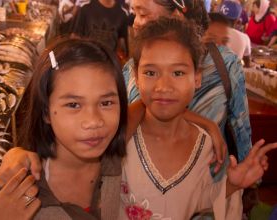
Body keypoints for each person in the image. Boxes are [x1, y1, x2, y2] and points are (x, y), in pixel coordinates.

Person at [118, 17, 276, 220]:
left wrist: (231, 185)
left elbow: (194, 200)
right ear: (135, 78)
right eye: (150, 72)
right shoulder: (122, 137)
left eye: (178, 72)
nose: (163, 86)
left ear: (197, 78)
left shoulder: (204, 144)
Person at [0, 36, 129, 220]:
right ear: (46, 112)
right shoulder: (18, 193)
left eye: (106, 102)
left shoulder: (127, 161)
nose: (93, 121)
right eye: (74, 105)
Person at [124, 0, 252, 170]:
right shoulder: (133, 68)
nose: (135, 23)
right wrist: (207, 124)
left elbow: (240, 129)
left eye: (143, 14)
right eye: (135, 14)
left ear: (177, 16)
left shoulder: (225, 64)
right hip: (141, 185)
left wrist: (246, 177)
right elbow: (126, 122)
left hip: (209, 184)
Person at [218, 0, 252, 67]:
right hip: (232, 76)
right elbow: (247, 63)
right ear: (237, 19)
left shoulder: (210, 33)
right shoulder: (244, 38)